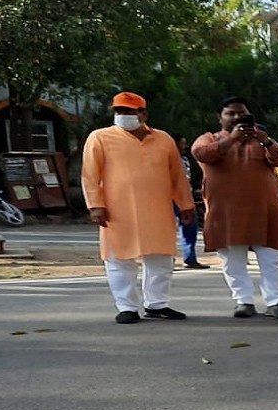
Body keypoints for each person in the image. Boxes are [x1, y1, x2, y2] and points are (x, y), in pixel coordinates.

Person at [81, 92, 195, 324]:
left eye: (129, 111)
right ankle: (127, 307)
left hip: (158, 210)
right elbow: (89, 175)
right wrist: (95, 205)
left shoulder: (163, 139)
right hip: (117, 211)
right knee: (119, 259)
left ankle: (157, 304)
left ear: (144, 113)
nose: (123, 115)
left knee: (161, 258)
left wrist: (186, 204)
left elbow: (177, 177)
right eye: (119, 111)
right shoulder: (100, 137)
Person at [191, 96, 278, 320]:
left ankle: (275, 302)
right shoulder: (209, 138)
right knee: (233, 262)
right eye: (232, 113)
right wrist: (232, 140)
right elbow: (200, 154)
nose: (238, 117)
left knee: (272, 260)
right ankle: (243, 301)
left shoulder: (261, 140)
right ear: (220, 117)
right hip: (226, 213)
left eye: (243, 114)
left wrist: (265, 141)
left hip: (265, 212)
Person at [172, 133, 208, 269]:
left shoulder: (185, 160)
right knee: (169, 230)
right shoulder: (164, 160)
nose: (185, 146)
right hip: (169, 198)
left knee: (190, 227)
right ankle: (168, 259)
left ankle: (190, 258)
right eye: (182, 143)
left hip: (186, 197)